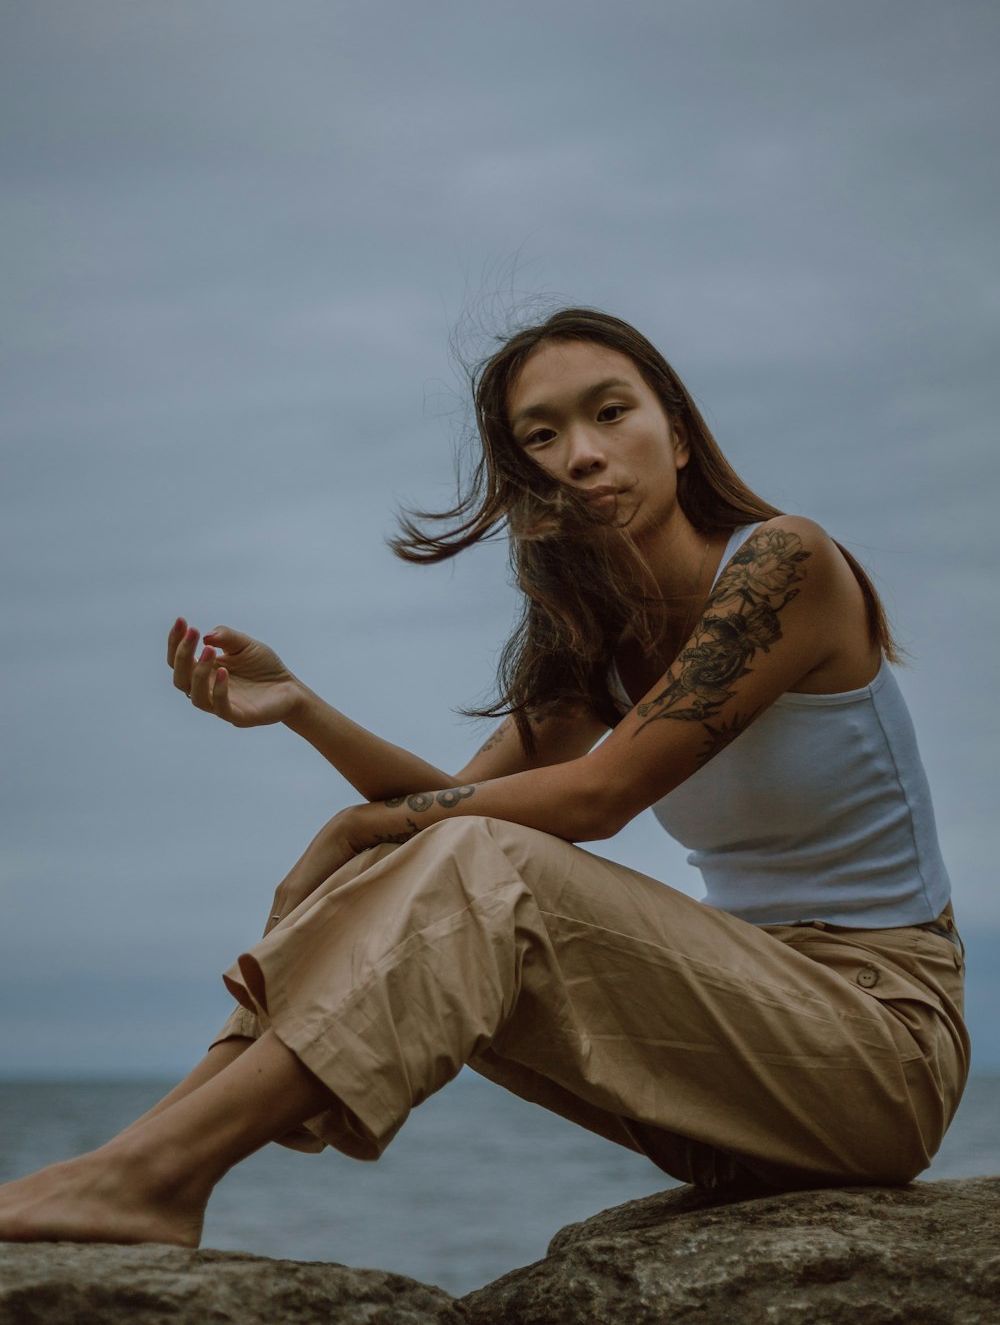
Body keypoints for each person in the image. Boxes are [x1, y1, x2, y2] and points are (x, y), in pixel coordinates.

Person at [0, 307, 969, 1247]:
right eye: (540, 437)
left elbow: (593, 800)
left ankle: (152, 1177)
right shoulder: (600, 636)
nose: (582, 454)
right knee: (422, 865)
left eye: (610, 412)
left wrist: (355, 829)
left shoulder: (783, 564)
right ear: (524, 480)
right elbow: (451, 819)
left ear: (677, 435)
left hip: (877, 1046)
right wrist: (301, 707)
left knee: (449, 854)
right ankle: (131, 1162)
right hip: (734, 1074)